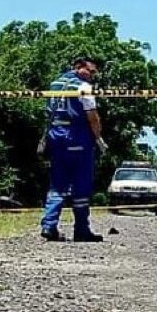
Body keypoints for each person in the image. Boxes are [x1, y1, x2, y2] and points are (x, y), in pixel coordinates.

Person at [39, 56, 109, 242]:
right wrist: (98, 137)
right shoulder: (83, 87)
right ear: (78, 67)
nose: (92, 76)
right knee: (81, 185)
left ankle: (49, 225)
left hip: (55, 137)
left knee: (57, 184)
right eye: (90, 71)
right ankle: (81, 230)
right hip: (77, 138)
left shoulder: (55, 84)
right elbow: (92, 116)